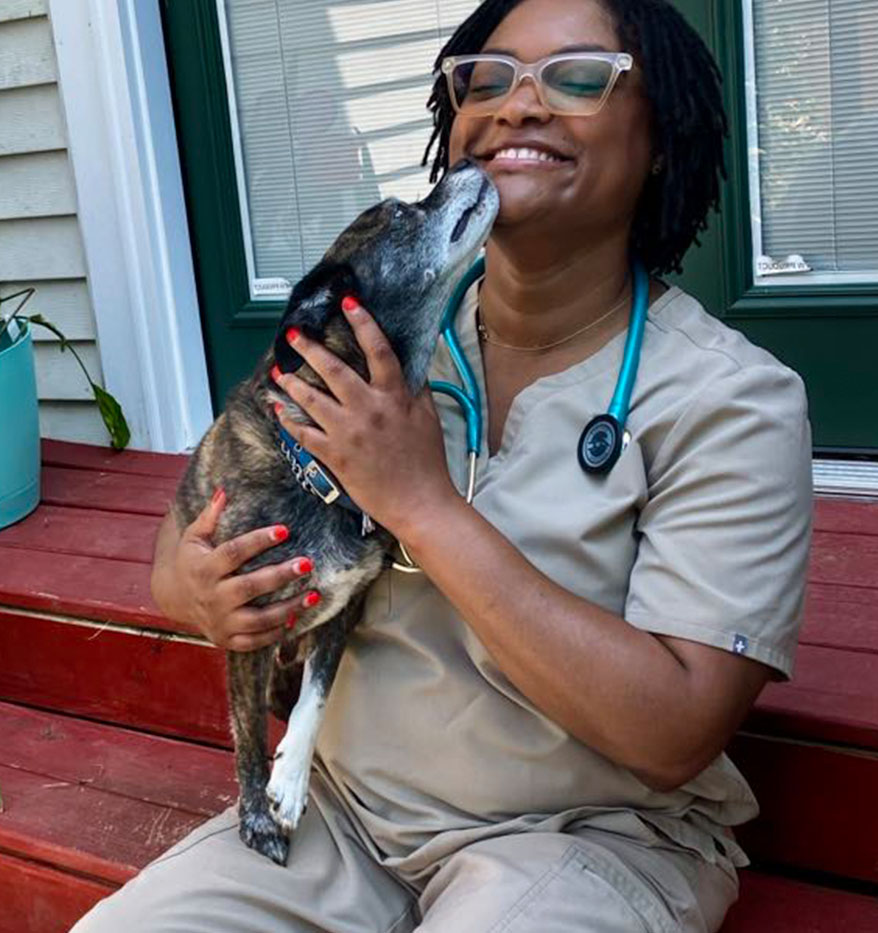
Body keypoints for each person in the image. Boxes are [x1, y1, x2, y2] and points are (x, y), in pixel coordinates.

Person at [73, 0, 812, 930]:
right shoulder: (374, 343)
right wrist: (199, 590)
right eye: (487, 79)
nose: (517, 106)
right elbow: (183, 544)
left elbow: (670, 734)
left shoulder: (729, 399)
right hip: (335, 822)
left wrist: (422, 503)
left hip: (584, 840)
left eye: (578, 77)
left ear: (661, 136)